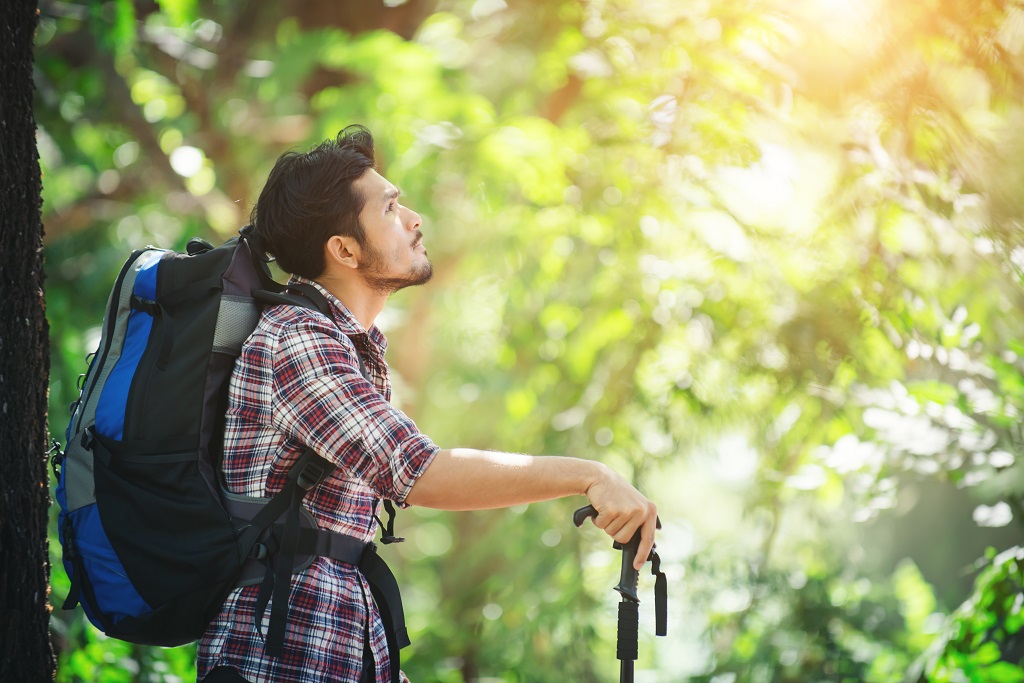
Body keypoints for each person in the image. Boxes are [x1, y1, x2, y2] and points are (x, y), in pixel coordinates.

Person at [197, 125, 658, 683]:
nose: (415, 219)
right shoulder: (297, 341)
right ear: (343, 249)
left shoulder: (343, 344)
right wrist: (590, 476)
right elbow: (420, 472)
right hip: (277, 661)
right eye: (391, 209)